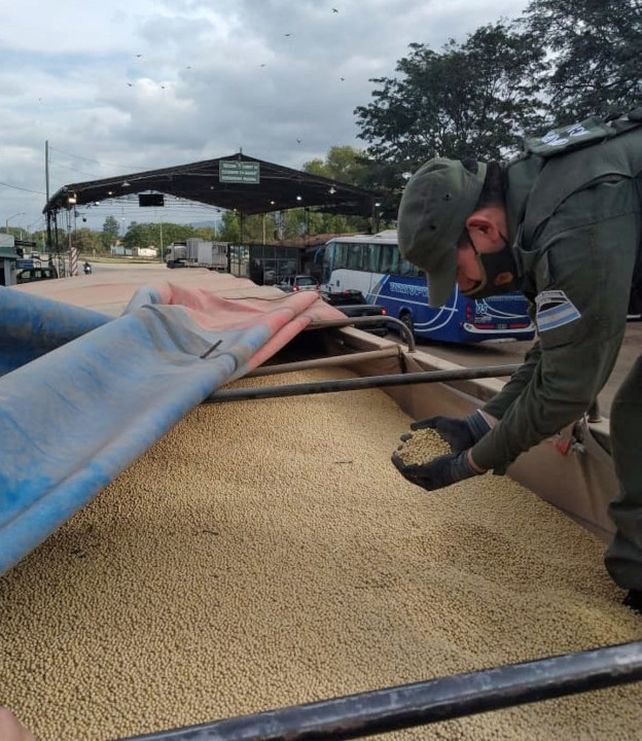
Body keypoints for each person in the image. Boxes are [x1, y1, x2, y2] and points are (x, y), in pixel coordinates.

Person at [391, 107, 642, 613]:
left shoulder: (574, 218)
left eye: (454, 270)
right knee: (636, 417)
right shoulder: (532, 202)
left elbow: (567, 388)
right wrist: (478, 425)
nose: (463, 288)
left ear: (481, 229)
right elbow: (555, 349)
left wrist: (472, 462)